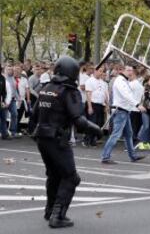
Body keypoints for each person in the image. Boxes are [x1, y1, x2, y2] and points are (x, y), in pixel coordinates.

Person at [32, 56, 103, 228]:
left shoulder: (46, 88)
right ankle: (58, 215)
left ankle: (49, 211)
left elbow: (34, 115)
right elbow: (78, 120)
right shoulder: (69, 91)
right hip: (58, 139)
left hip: (42, 138)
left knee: (54, 175)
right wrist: (97, 130)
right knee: (71, 177)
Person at [101, 65, 146, 164]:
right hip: (121, 111)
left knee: (128, 134)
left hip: (124, 111)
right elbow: (126, 94)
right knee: (116, 135)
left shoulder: (124, 81)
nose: (130, 72)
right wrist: (137, 105)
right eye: (128, 70)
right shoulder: (121, 81)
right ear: (122, 71)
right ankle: (105, 156)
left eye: (131, 70)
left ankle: (132, 156)